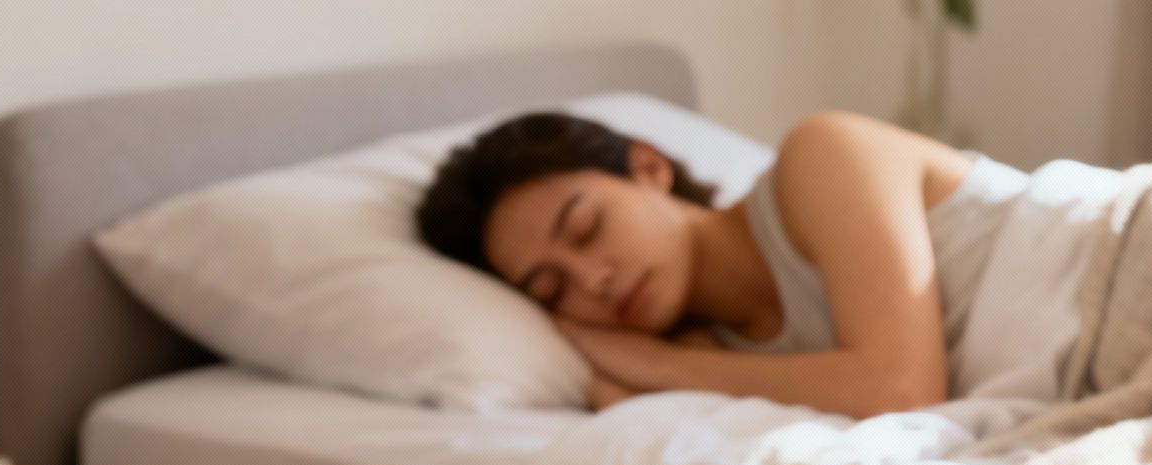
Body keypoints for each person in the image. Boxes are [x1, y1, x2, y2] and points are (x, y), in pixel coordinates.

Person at [416, 111, 1030, 419]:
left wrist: (661, 365)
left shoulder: (820, 157)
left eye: (586, 228)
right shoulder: (717, 365)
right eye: (552, 288)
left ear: (649, 168)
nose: (593, 281)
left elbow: (900, 391)